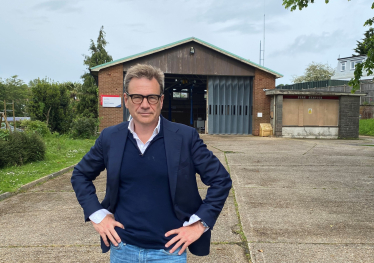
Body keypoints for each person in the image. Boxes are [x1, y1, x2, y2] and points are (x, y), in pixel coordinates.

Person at [71, 64, 232, 263]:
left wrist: (199, 225)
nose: (144, 104)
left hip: (169, 252)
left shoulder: (185, 137)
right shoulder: (110, 137)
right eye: (137, 97)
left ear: (161, 100)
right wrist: (97, 215)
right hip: (122, 249)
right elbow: (80, 175)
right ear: (126, 100)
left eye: (152, 97)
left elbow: (221, 180)